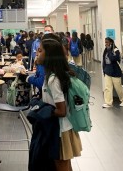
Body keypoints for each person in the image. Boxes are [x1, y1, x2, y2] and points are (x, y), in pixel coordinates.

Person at [37, 38, 82, 170]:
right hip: (62, 128)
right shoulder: (53, 76)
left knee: (62, 165)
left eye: (40, 51)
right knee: (65, 166)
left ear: (49, 55)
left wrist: (42, 110)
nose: (37, 53)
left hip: (60, 131)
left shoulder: (53, 80)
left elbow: (61, 110)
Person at [102, 37, 123, 108]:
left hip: (115, 72)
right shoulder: (106, 50)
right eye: (105, 42)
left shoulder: (116, 50)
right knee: (107, 88)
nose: (106, 44)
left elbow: (114, 59)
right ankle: (108, 102)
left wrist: (109, 51)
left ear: (111, 42)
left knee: (118, 87)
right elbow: (104, 60)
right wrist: (104, 70)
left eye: (107, 42)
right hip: (108, 71)